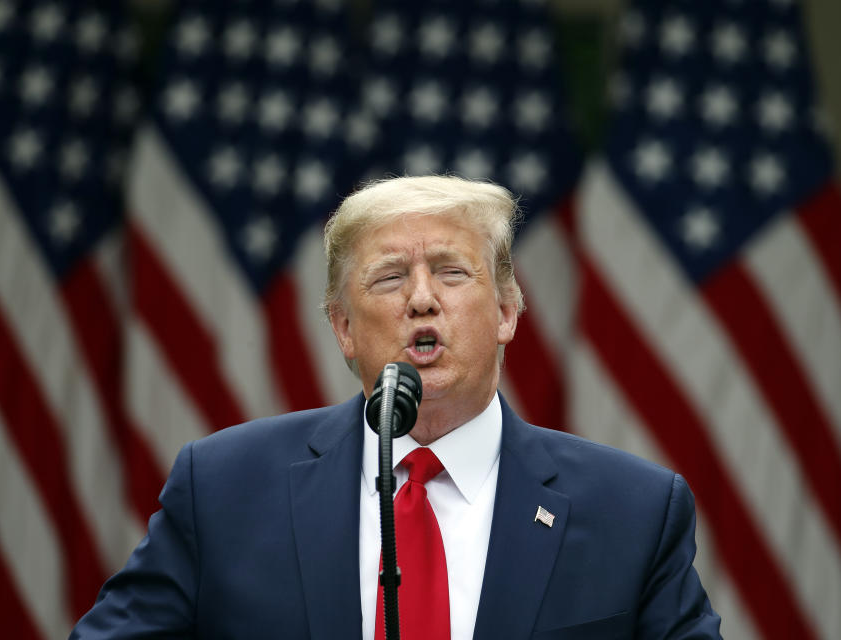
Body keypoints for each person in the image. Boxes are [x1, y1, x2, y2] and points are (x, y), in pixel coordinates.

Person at [71, 175, 721, 639]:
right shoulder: (224, 489)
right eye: (388, 277)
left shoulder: (632, 512)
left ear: (505, 311)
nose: (421, 300)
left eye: (452, 272)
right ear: (343, 328)